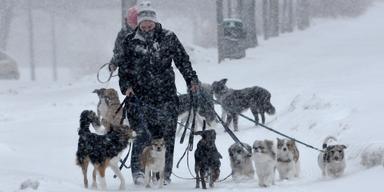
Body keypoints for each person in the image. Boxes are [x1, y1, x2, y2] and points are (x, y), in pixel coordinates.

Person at [116, 1, 199, 185]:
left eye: (150, 22)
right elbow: (124, 69)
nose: (146, 26)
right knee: (142, 135)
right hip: (139, 97)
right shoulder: (130, 41)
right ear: (138, 22)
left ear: (155, 21)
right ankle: (139, 171)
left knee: (166, 136)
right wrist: (126, 86)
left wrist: (191, 80)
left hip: (166, 95)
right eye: (143, 22)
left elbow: (182, 61)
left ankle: (164, 174)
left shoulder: (168, 37)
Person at [108, 5, 138, 72]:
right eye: (131, 23)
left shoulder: (145, 33)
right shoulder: (123, 34)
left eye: (136, 24)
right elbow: (118, 51)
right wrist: (113, 63)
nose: (134, 26)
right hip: (127, 70)